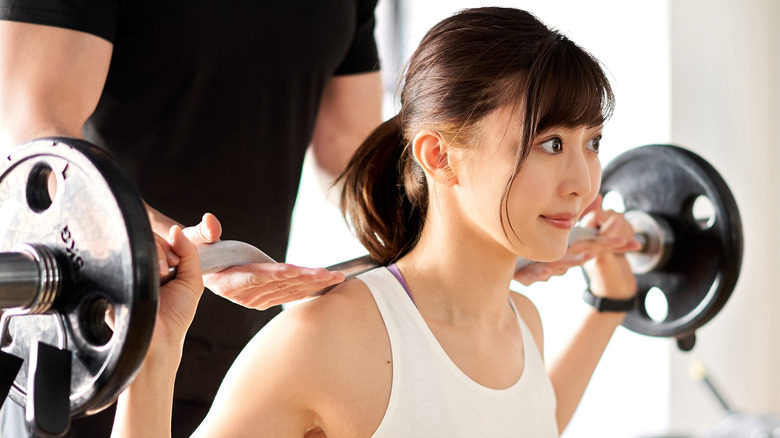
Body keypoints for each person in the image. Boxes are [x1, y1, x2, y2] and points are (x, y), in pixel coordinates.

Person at [112, 6, 644, 437]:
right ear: (439, 157)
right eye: (550, 143)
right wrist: (151, 359)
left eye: (592, 142)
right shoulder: (326, 338)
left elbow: (525, 425)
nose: (582, 181)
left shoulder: (523, 322)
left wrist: (609, 306)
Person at [0, 1, 383, 436]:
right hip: (94, 336)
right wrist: (157, 240)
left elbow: (350, 151)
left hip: (239, 349)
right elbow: (35, 117)